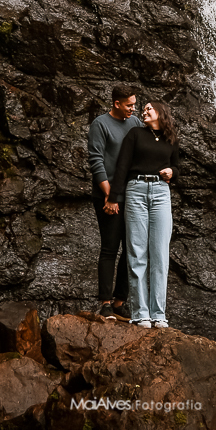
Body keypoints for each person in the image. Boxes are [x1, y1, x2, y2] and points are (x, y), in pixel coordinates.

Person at [108, 99, 180, 329]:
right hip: (136, 190)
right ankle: (141, 313)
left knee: (160, 254)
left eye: (149, 108)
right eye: (144, 108)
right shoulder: (135, 134)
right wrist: (113, 197)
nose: (144, 111)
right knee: (137, 252)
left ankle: (159, 314)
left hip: (161, 192)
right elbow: (122, 166)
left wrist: (172, 172)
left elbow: (177, 167)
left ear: (161, 112)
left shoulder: (171, 138)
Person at [87, 84, 143, 316]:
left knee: (130, 250)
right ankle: (105, 303)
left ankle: (120, 302)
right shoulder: (100, 124)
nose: (133, 108)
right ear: (116, 103)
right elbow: (96, 160)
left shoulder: (136, 123)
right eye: (129, 105)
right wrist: (110, 196)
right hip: (107, 195)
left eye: (134, 104)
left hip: (132, 195)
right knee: (110, 249)